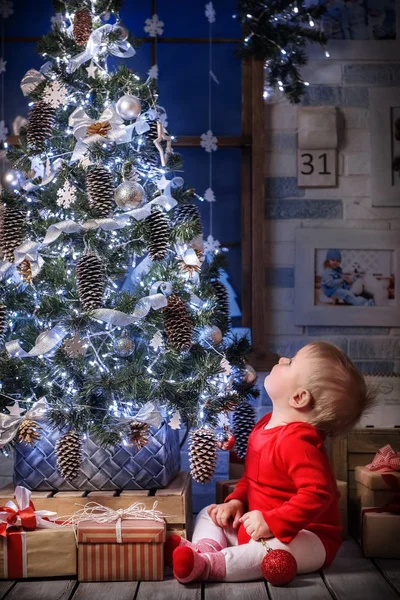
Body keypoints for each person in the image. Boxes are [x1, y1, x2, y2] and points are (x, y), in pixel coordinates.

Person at [166, 341, 376, 583]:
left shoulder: (299, 443)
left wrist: (273, 522)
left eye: (292, 361)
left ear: (299, 397)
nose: (283, 359)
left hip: (306, 536)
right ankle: (203, 550)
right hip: (257, 526)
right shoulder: (264, 425)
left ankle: (209, 565)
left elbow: (318, 493)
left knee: (273, 552)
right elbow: (251, 479)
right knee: (209, 512)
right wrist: (235, 501)